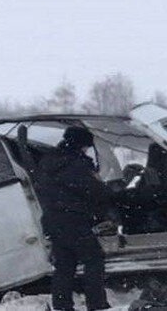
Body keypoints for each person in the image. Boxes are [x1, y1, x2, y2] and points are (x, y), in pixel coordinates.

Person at [37, 126, 112, 311]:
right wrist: (108, 196)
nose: (87, 150)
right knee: (94, 259)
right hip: (74, 220)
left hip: (53, 221)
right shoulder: (75, 164)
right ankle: (97, 304)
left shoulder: (49, 161)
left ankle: (62, 306)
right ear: (81, 145)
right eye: (86, 146)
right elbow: (94, 191)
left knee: (64, 265)